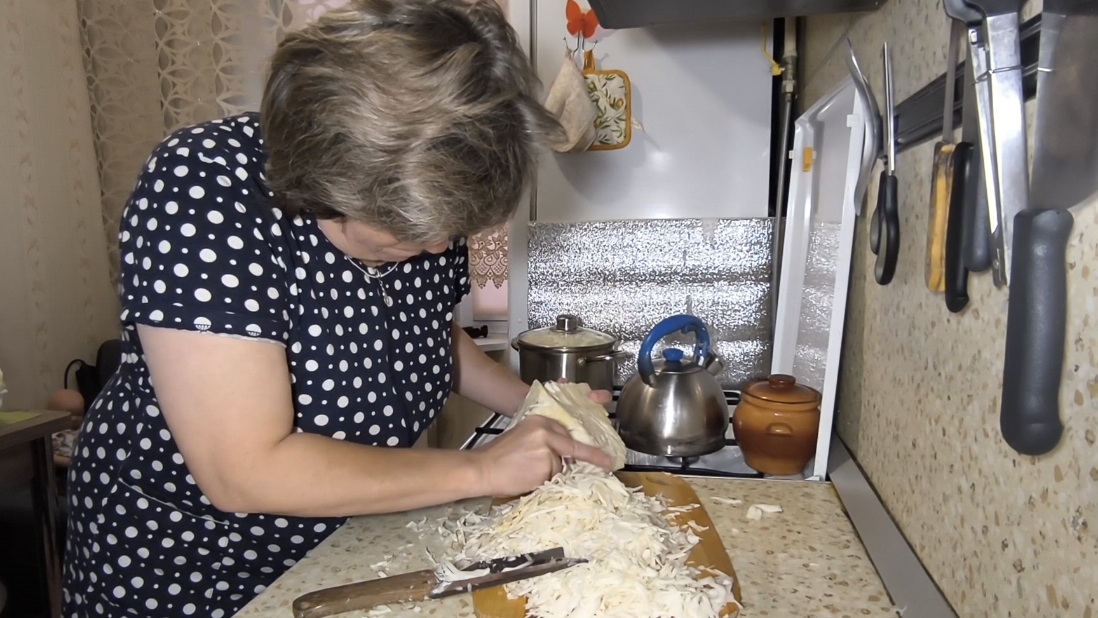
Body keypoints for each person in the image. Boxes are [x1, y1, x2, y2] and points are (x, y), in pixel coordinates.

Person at [60, 1, 613, 616]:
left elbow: (422, 328)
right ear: (322, 181)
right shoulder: (204, 190)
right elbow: (243, 470)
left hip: (344, 538)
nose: (437, 247)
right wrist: (482, 471)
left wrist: (537, 404)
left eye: (449, 231)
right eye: (407, 231)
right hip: (190, 564)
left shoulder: (430, 207)